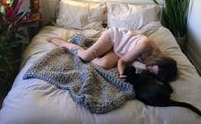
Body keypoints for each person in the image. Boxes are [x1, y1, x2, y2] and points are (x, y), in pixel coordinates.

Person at [47, 27, 178, 82]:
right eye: (151, 68)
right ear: (159, 61)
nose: (149, 69)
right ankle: (60, 42)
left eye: (152, 71)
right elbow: (123, 62)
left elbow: (133, 61)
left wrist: (146, 70)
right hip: (115, 38)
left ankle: (79, 51)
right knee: (86, 57)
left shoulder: (155, 65)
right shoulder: (147, 45)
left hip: (121, 50)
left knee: (104, 64)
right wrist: (122, 74)